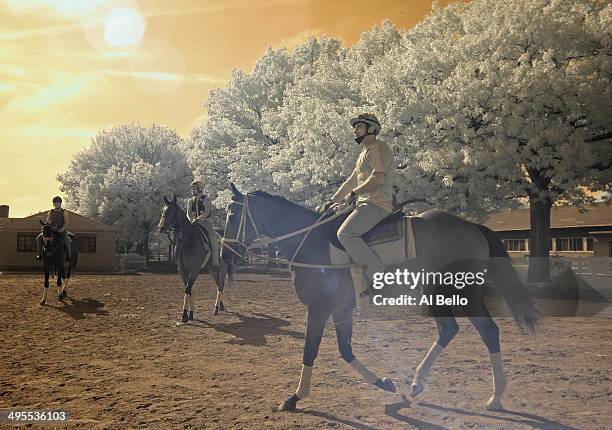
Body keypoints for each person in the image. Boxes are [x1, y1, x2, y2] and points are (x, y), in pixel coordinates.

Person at [318, 113, 394, 292]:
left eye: (359, 127)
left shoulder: (377, 148)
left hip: (377, 203)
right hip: (364, 203)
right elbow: (352, 180)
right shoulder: (364, 152)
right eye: (355, 127)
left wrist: (353, 193)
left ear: (372, 129)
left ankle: (379, 277)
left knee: (345, 234)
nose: (355, 130)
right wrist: (331, 201)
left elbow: (378, 178)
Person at [186, 180, 219, 270]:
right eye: (191, 189)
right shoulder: (190, 201)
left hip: (205, 223)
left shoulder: (206, 200)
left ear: (200, 189)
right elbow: (188, 213)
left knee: (213, 239)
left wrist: (198, 219)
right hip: (192, 223)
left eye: (194, 189)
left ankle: (215, 263)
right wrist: (191, 220)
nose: (192, 191)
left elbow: (206, 212)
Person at [36, 196, 71, 261]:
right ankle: (39, 254)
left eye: (57, 202)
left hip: (61, 229)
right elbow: (48, 222)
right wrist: (48, 226)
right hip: (51, 230)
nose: (55, 204)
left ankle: (68, 255)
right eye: (54, 203)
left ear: (60, 203)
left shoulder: (64, 211)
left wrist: (62, 229)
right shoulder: (50, 211)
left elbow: (66, 223)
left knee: (67, 240)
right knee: (38, 238)